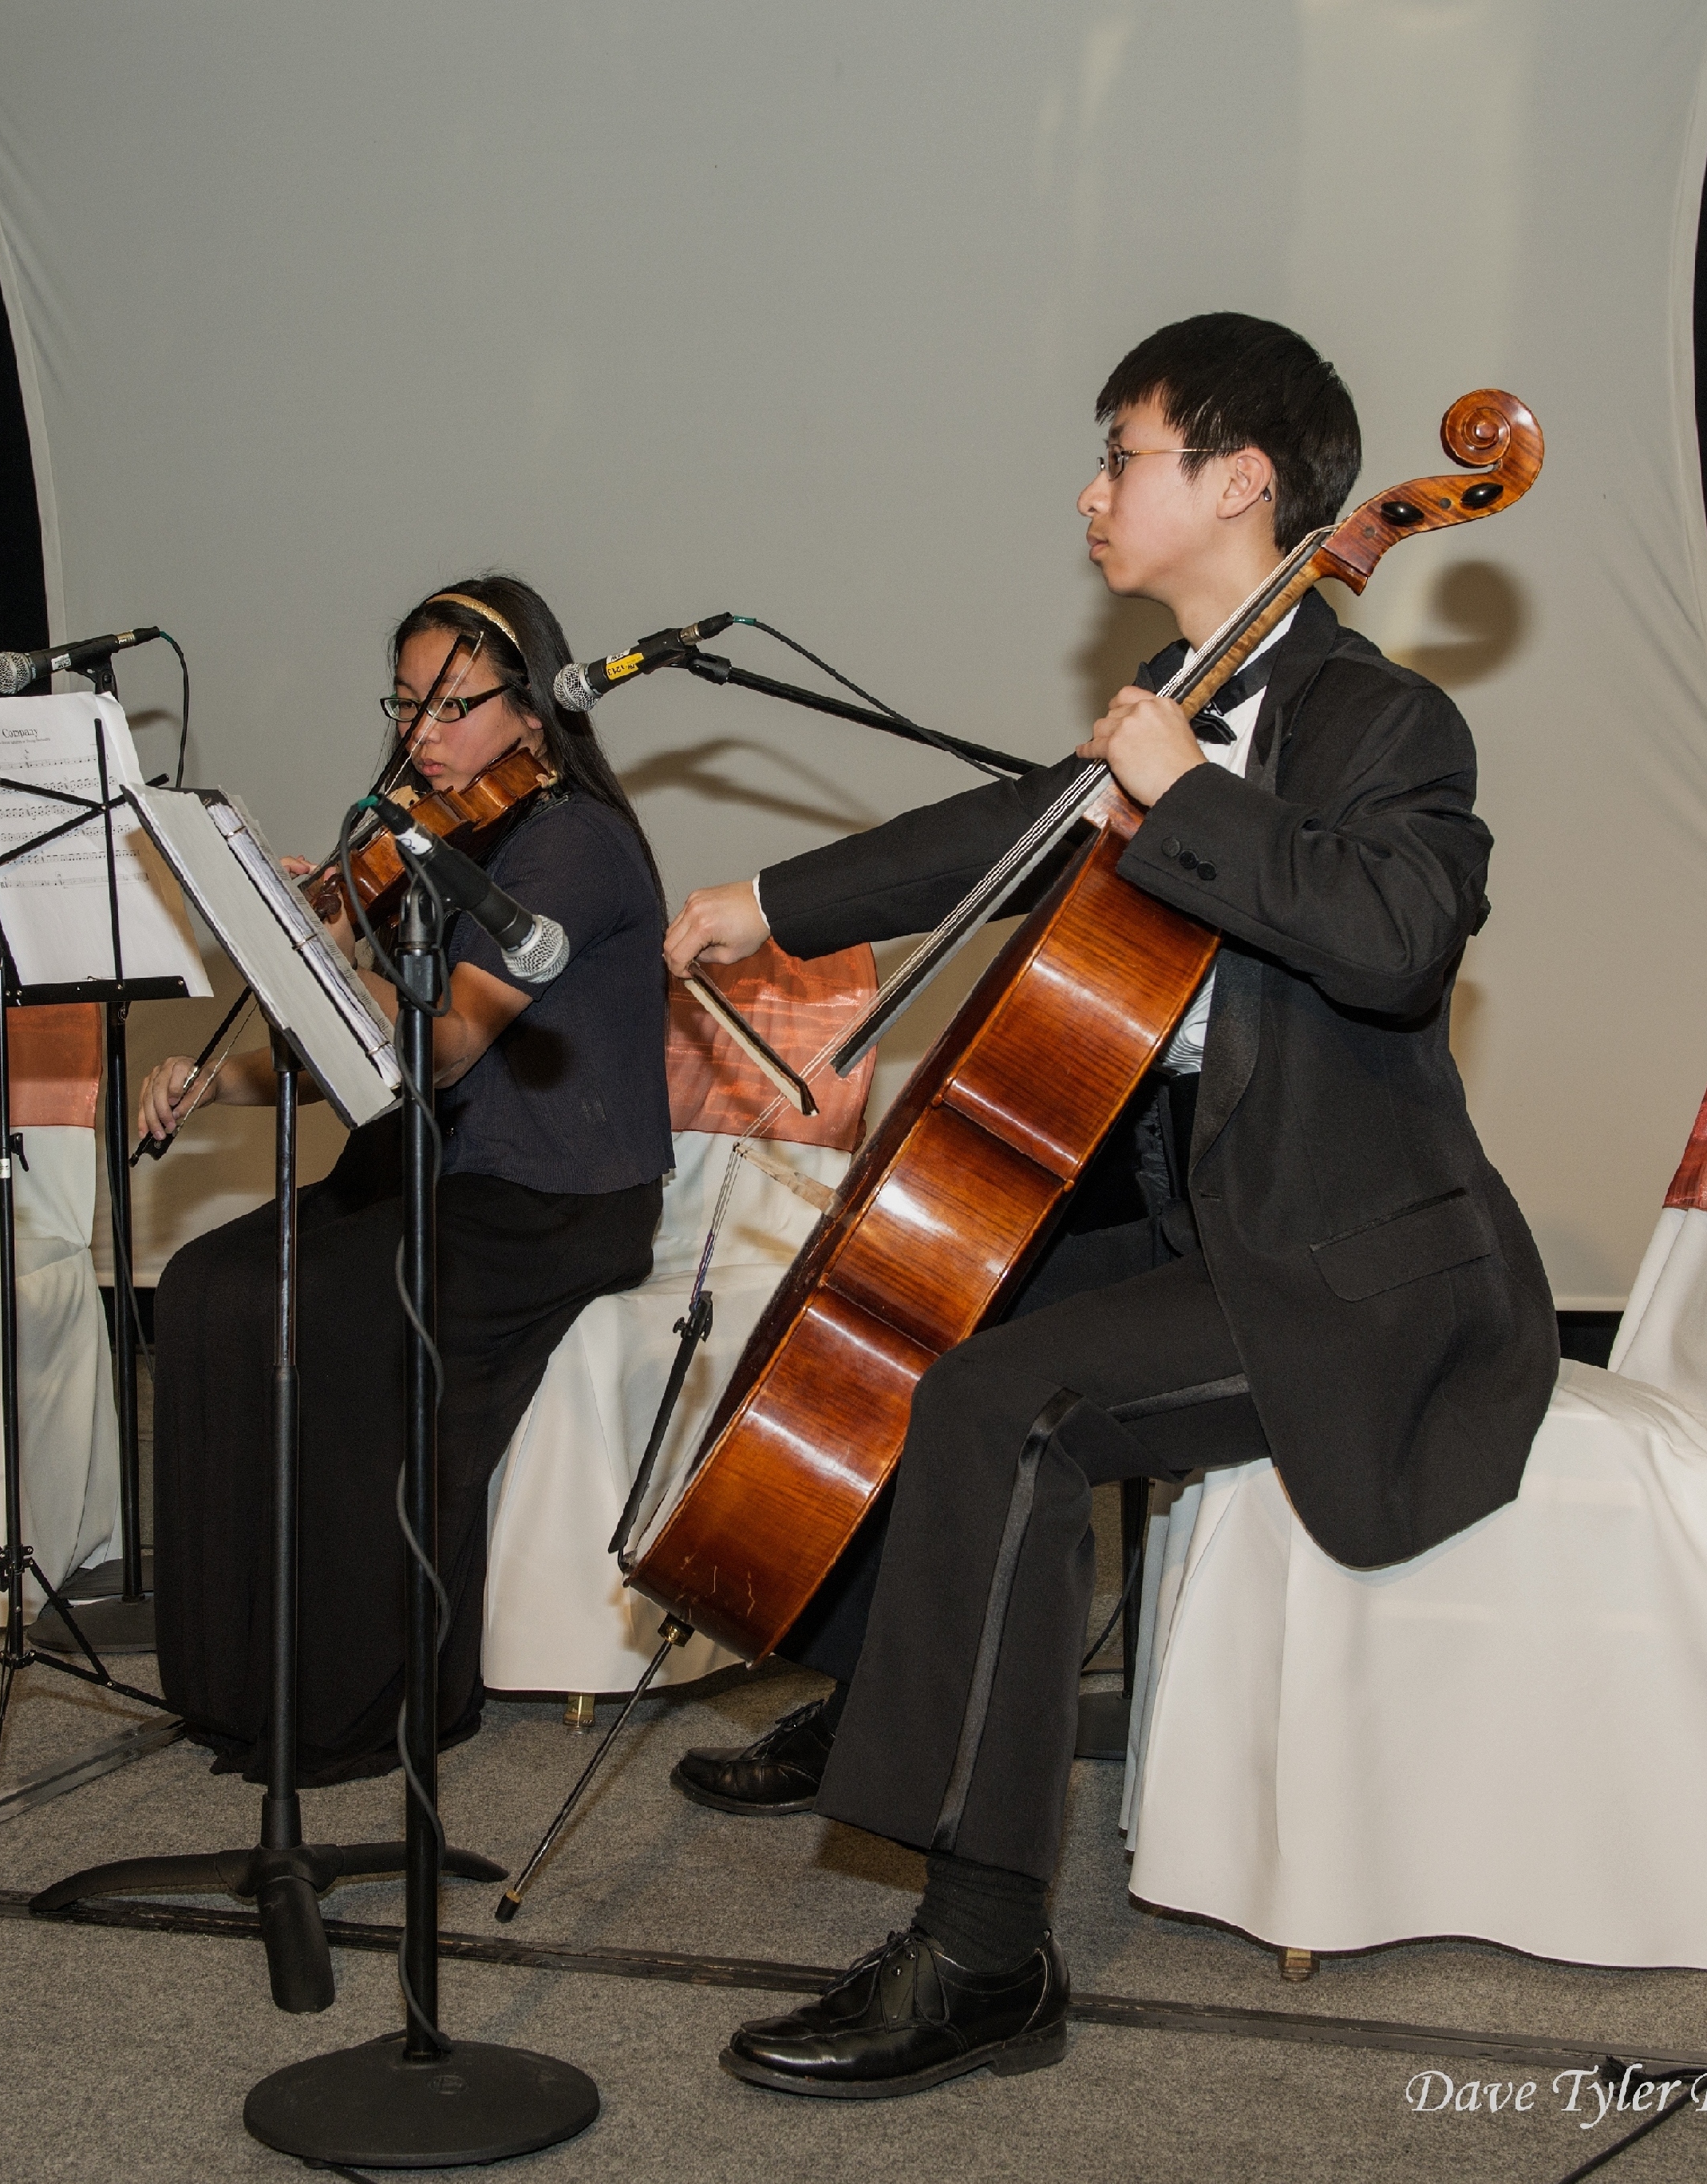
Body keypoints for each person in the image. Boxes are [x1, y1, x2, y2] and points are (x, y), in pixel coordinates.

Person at [660, 315, 1558, 2097]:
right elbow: (1011, 828)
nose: (1089, 491)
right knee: (913, 1292)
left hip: (1339, 1258)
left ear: (1240, 482)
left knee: (1003, 1406)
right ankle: (892, 1684)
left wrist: (1188, 791)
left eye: (1122, 453)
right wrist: (769, 901)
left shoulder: (1387, 721)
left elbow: (1394, 945)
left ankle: (986, 1955)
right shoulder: (1179, 696)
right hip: (1194, 1204)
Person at [143, 575, 672, 1786]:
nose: (422, 733)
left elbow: (446, 1042)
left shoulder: (572, 845)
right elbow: (360, 1059)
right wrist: (215, 1081)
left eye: (453, 704)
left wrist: (334, 948)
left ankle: (365, 1696)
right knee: (206, 1284)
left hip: (550, 1197)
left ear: (533, 710)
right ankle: (239, 1679)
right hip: (427, 1169)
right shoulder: (424, 838)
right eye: (406, 703)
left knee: (319, 1310)